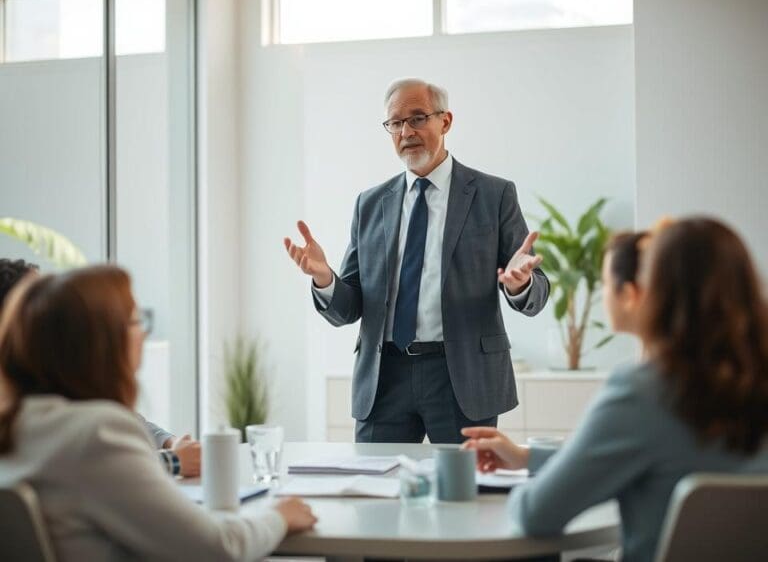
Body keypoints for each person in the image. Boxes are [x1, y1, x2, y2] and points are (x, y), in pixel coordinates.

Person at [462, 218, 768, 562]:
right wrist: (528, 458)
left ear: (641, 293)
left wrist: (510, 494)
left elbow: (536, 515)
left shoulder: (643, 392)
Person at [284, 78, 549, 443]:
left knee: (463, 495)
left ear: (446, 121)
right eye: (396, 123)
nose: (406, 131)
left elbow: (536, 291)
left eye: (418, 117)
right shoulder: (371, 203)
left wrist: (521, 285)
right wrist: (324, 279)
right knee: (374, 492)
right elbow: (349, 308)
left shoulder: (493, 194)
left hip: (463, 377)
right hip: (384, 377)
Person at [0, 266, 316, 560]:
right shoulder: (96, 436)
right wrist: (279, 516)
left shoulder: (19, 426)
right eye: (136, 321)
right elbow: (216, 547)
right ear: (103, 343)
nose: (144, 334)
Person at [0, 257, 201, 477]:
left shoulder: (40, 387)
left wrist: (167, 441)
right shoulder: (33, 414)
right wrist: (173, 460)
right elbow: (90, 464)